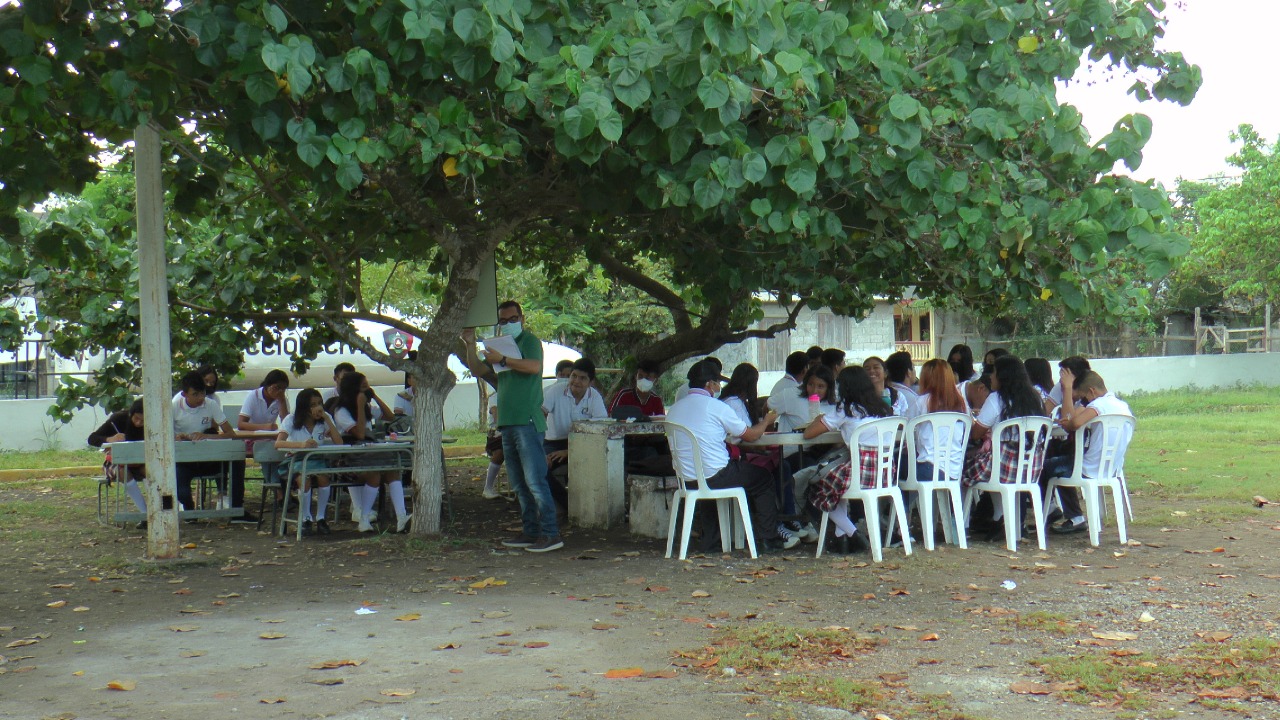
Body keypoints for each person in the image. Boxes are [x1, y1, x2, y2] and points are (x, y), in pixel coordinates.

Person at [462, 301, 562, 553]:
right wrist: (470, 344)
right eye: (503, 321)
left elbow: (534, 367)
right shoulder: (498, 346)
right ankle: (531, 532)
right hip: (507, 422)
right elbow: (476, 368)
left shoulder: (529, 341)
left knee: (535, 481)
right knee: (518, 483)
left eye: (512, 318)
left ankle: (551, 533)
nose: (508, 323)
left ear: (522, 318)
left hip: (527, 421)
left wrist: (503, 359)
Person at [666, 360, 796, 552]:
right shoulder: (715, 407)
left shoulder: (675, 409)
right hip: (718, 475)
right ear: (709, 384)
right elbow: (750, 435)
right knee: (764, 478)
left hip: (687, 479)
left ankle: (710, 542)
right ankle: (768, 537)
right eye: (717, 382)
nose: (719, 387)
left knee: (707, 481)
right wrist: (767, 420)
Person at [802, 366, 894, 554]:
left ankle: (853, 534)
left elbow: (809, 433)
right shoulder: (884, 408)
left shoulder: (845, 409)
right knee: (837, 485)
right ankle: (841, 539)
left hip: (860, 472)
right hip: (885, 473)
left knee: (817, 487)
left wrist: (820, 417)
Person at [962, 356, 1047, 539]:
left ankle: (964, 524)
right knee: (990, 462)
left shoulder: (995, 399)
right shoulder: (1036, 398)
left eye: (993, 373)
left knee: (961, 468)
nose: (990, 377)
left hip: (1002, 467)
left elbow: (976, 434)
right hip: (1030, 468)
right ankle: (1003, 520)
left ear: (1003, 376)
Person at [1044, 370, 1133, 534]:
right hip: (1111, 468)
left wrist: (1067, 424)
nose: (1085, 402)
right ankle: (1069, 515)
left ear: (1092, 391)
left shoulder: (1098, 404)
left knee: (1046, 467)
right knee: (1062, 464)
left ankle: (1053, 513)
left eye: (1085, 397)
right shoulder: (1122, 406)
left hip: (1088, 467)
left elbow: (1076, 422)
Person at [332, 371, 406, 532]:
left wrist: (375, 397)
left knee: (393, 473)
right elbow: (358, 433)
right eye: (364, 387)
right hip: (349, 459)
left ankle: (402, 516)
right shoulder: (341, 411)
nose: (367, 391)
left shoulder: (367, 408)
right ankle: (364, 518)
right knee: (374, 475)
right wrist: (359, 405)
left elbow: (390, 417)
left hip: (369, 456)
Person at [275, 388, 344, 536]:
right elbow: (278, 443)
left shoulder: (323, 421)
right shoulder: (291, 420)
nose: (317, 408)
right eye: (313, 405)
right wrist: (301, 445)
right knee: (303, 478)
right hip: (297, 460)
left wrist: (327, 419)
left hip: (317, 459)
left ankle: (320, 518)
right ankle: (305, 517)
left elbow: (339, 443)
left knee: (323, 477)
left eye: (319, 403)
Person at [542, 358, 609, 509]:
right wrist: (540, 449)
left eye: (582, 378)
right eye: (574, 376)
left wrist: (570, 451)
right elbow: (540, 415)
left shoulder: (595, 397)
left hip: (584, 444)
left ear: (591, 382)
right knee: (539, 466)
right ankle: (568, 506)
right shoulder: (555, 391)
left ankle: (597, 505)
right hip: (553, 443)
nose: (576, 381)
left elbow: (601, 431)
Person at [172, 372, 238, 514]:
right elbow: (166, 436)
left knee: (230, 460)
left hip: (207, 458)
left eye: (202, 393)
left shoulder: (211, 404)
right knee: (182, 491)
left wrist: (205, 436)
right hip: (183, 460)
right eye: (195, 394)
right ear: (184, 394)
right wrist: (178, 437)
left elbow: (230, 433)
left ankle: (225, 497)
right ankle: (189, 510)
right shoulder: (174, 407)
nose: (200, 398)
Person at [235, 369, 292, 512]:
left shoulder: (281, 400)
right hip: (252, 437)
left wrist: (282, 401)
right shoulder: (253, 397)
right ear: (268, 385)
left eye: (283, 389)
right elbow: (241, 424)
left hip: (269, 438)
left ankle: (278, 490)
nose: (279, 391)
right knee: (267, 452)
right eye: (276, 388)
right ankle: (279, 492)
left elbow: (287, 421)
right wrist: (264, 427)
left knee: (275, 451)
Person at [88, 399, 148, 526]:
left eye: (143, 421)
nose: (138, 423)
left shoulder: (153, 424)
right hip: (116, 463)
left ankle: (156, 510)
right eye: (136, 418)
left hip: (140, 462)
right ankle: (145, 514)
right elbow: (92, 438)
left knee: (151, 471)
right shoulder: (119, 419)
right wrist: (110, 439)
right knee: (122, 472)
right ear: (131, 414)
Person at [909, 360, 968, 483]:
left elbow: (905, 427)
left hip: (928, 466)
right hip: (954, 470)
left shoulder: (921, 401)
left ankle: (903, 502)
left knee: (896, 467)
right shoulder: (961, 403)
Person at [768, 351, 812, 435]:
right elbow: (766, 409)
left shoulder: (786, 384)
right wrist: (770, 435)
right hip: (790, 442)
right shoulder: (789, 389)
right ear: (804, 370)